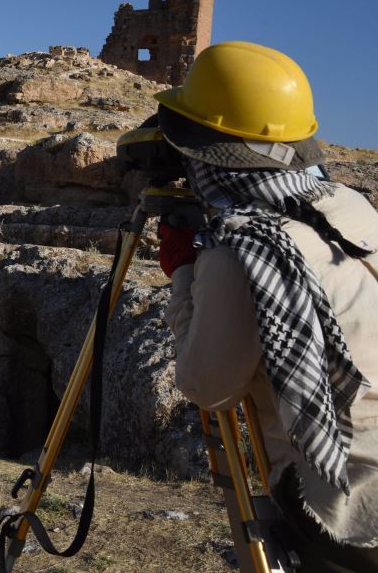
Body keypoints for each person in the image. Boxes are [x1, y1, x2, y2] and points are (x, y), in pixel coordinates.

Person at [155, 41, 377, 571]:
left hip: (347, 508)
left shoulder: (243, 253)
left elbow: (207, 387)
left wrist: (185, 270)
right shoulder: (350, 207)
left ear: (201, 151)